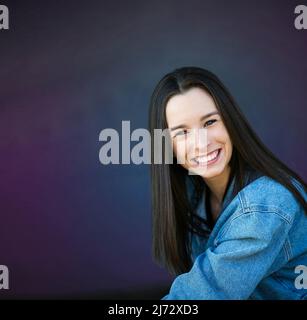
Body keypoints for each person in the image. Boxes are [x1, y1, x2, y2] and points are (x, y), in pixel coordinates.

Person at [148, 66, 307, 300]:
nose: (201, 143)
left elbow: (200, 296)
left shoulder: (264, 206)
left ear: (230, 121)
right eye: (182, 133)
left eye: (210, 122)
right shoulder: (194, 193)